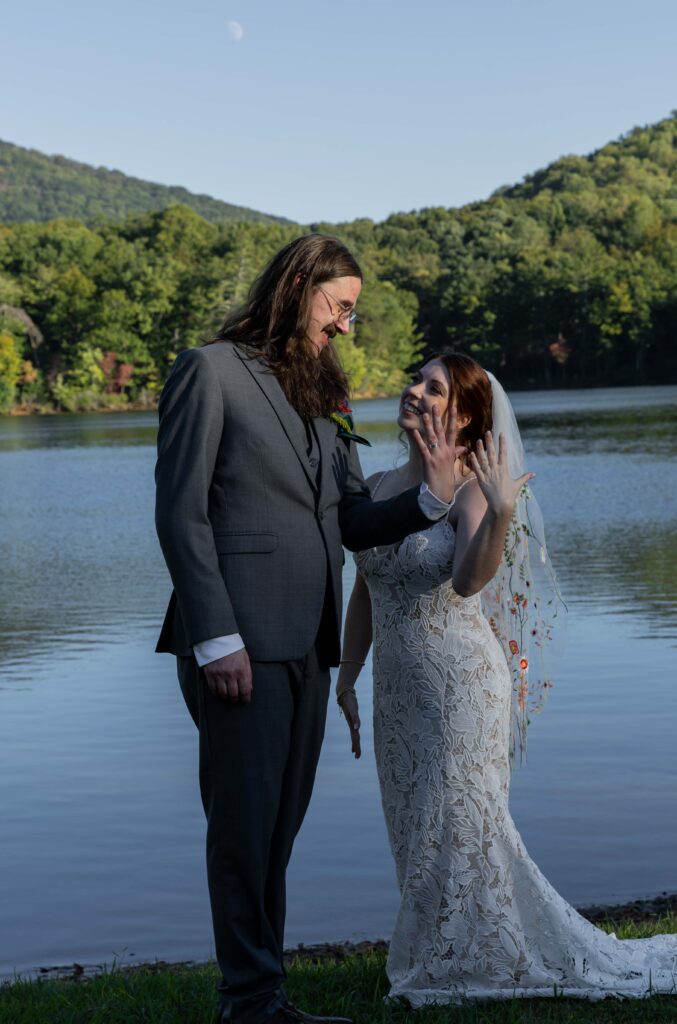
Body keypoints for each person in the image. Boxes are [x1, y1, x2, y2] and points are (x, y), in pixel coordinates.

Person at [154, 235, 465, 1024]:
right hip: (237, 642)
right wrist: (214, 637)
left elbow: (353, 520)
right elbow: (180, 513)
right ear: (298, 285)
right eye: (341, 306)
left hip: (310, 640)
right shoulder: (208, 371)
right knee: (243, 828)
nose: (346, 326)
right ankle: (249, 999)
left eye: (353, 311)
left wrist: (429, 498)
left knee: (278, 828)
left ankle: (265, 999)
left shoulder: (324, 391)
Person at [338, 351, 677, 1005]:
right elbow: (365, 587)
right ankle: (444, 947)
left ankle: (459, 959)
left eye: (432, 388)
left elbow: (468, 580)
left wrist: (496, 513)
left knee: (460, 822)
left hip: (458, 686)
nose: (412, 391)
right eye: (415, 380)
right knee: (415, 825)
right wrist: (346, 676)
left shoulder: (472, 489)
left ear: (463, 414)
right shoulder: (379, 484)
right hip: (396, 688)